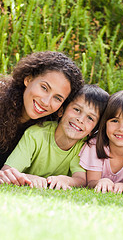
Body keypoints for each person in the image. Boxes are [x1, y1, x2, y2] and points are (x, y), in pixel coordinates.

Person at [1, 84, 110, 189]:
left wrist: (65, 180)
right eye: (77, 110)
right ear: (61, 111)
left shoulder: (83, 146)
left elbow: (81, 179)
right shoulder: (35, 134)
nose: (80, 120)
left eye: (90, 118)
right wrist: (28, 177)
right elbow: (8, 171)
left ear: (93, 130)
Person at [0, 50, 84, 181]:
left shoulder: (48, 129)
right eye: (44, 88)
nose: (46, 102)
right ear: (28, 79)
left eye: (57, 98)